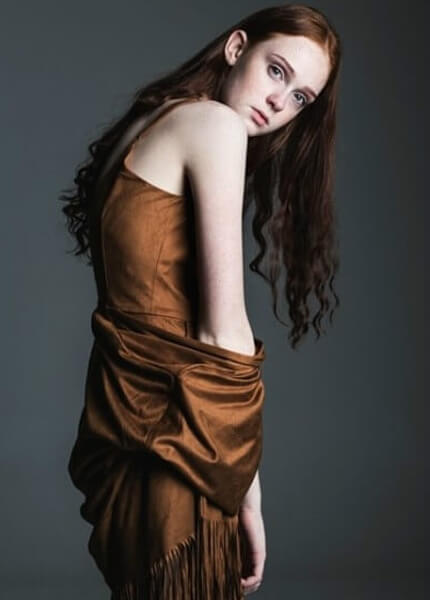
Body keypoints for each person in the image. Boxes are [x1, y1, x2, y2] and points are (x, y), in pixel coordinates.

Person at [60, 3, 342, 598]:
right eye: (277, 70)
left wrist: (239, 475)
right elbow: (223, 334)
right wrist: (247, 495)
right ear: (237, 48)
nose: (279, 102)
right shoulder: (215, 127)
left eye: (300, 98)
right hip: (182, 439)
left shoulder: (152, 121)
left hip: (131, 423)